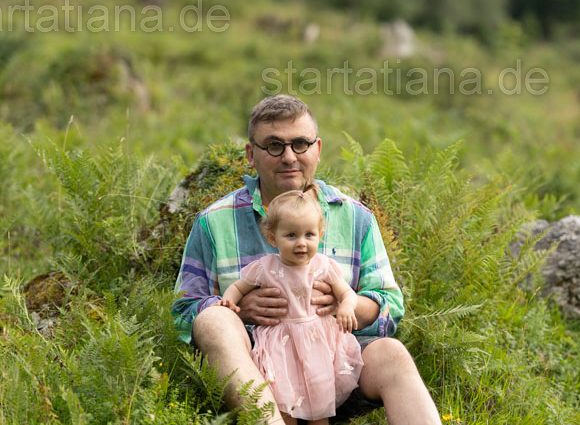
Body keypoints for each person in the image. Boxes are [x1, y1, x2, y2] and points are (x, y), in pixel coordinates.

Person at [172, 95, 441, 425]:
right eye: (274, 146)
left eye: (300, 144)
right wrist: (236, 309)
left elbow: (390, 307)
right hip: (256, 372)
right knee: (214, 320)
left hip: (333, 367)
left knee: (393, 354)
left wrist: (346, 303)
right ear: (250, 154)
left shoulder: (356, 218)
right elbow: (184, 310)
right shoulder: (214, 221)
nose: (289, 157)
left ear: (317, 149)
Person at [220, 187, 363, 424]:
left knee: (320, 406)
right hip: (280, 345)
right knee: (283, 402)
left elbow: (347, 293)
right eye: (291, 235)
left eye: (309, 235)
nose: (301, 243)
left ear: (320, 234)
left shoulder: (323, 266)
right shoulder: (265, 267)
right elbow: (238, 287)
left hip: (317, 344)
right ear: (272, 237)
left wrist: (346, 306)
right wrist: (229, 301)